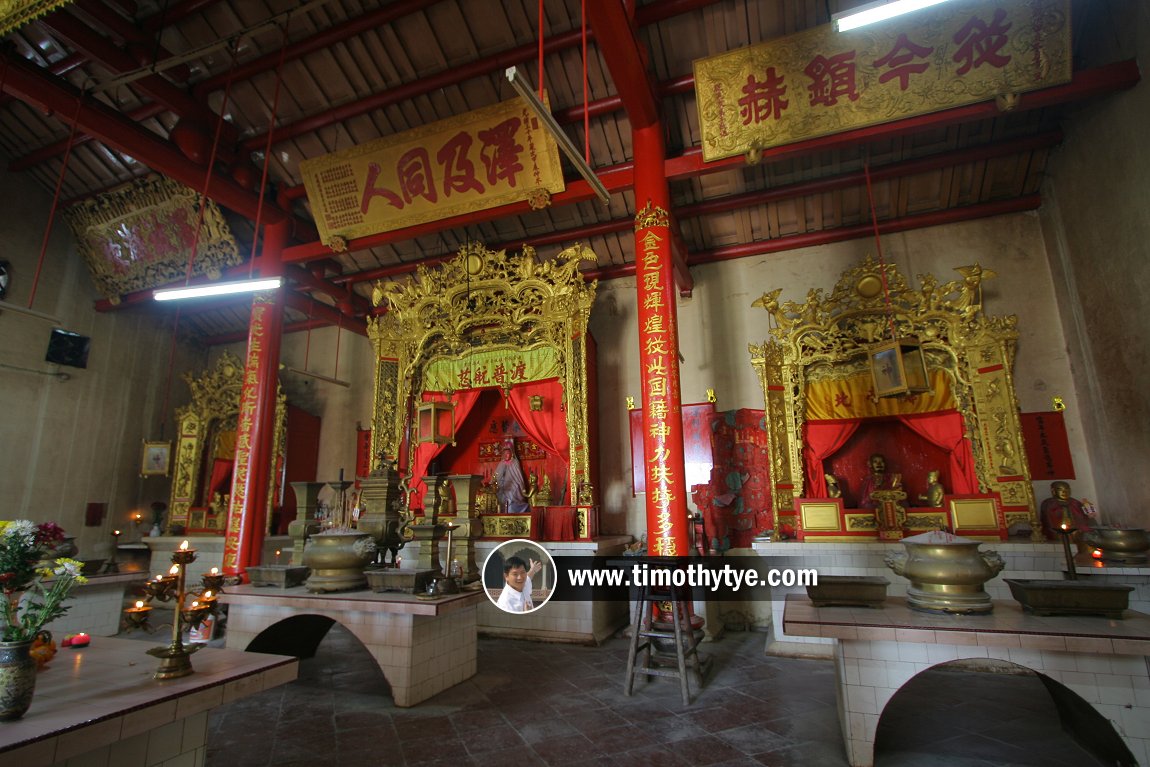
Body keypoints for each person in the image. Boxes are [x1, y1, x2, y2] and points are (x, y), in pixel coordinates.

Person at [494, 439, 530, 513]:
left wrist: (521, 486)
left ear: (511, 454)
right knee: (498, 494)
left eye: (508, 453)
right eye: (504, 453)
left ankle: (511, 511)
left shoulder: (514, 463)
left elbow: (518, 477)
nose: (506, 455)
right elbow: (496, 476)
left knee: (510, 494)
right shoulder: (501, 463)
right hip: (503, 486)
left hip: (514, 486)